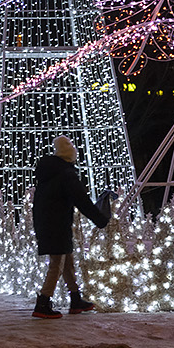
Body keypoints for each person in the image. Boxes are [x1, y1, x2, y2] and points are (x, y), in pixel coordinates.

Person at [31, 135, 110, 319]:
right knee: (57, 264)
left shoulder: (49, 173)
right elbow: (81, 200)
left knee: (67, 261)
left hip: (49, 222)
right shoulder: (65, 174)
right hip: (56, 223)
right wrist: (100, 219)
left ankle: (75, 299)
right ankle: (43, 302)